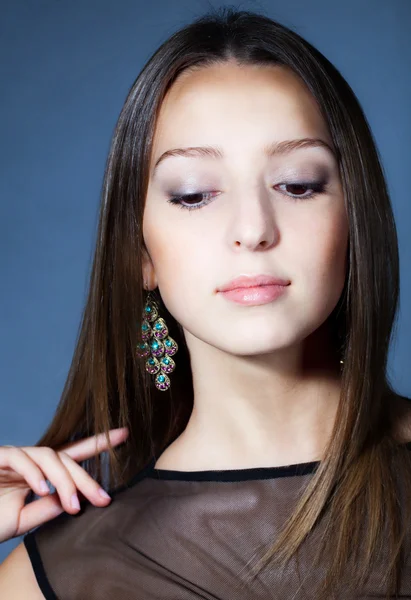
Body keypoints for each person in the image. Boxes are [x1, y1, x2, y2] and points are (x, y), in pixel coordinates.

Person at [1, 6, 411, 599]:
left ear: (355, 220)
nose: (252, 228)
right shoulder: (55, 577)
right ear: (140, 254)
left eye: (297, 184)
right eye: (194, 195)